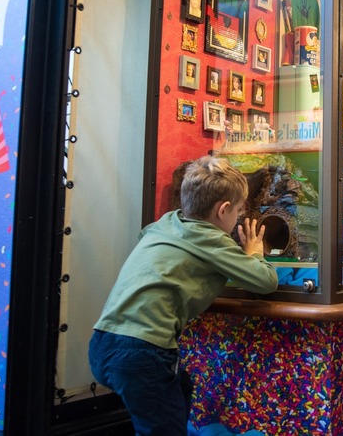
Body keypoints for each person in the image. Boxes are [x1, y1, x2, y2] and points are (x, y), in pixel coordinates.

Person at [88, 156, 278, 435]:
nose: (239, 216)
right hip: (143, 352)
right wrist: (254, 252)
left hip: (103, 343)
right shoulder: (212, 239)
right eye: (238, 210)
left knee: (181, 385)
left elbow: (154, 246)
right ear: (223, 210)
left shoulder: (167, 223)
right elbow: (266, 281)